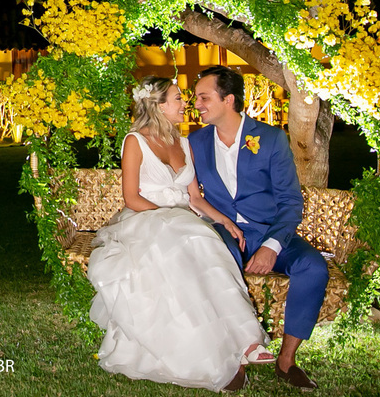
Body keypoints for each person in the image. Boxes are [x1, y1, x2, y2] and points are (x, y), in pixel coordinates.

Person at [88, 76, 272, 393]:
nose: (184, 105)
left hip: (183, 220)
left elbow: (195, 198)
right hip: (146, 218)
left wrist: (225, 221)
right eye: (177, 99)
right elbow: (131, 197)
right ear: (158, 106)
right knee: (188, 245)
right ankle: (217, 354)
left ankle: (245, 342)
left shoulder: (183, 142)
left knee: (209, 249)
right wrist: (169, 219)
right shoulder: (135, 141)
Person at [190, 65, 328, 392]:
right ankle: (237, 359)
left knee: (313, 266)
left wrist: (271, 246)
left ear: (229, 100)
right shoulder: (194, 141)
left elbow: (291, 201)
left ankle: (286, 360)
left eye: (203, 97)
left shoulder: (270, 138)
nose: (196, 104)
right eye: (196, 98)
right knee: (220, 260)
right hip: (224, 231)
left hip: (269, 230)